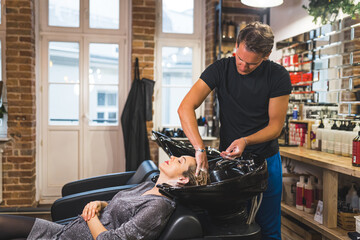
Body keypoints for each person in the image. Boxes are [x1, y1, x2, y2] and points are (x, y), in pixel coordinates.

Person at [178, 21, 291, 239]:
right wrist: (199, 148)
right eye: (240, 58)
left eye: (251, 64)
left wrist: (246, 141)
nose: (242, 66)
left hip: (266, 161)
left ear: (266, 56)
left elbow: (275, 127)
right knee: (229, 228)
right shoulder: (220, 68)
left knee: (269, 229)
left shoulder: (277, 76)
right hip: (229, 164)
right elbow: (185, 107)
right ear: (237, 45)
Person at [0, 156, 208, 240]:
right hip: (66, 231)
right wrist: (99, 204)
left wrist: (91, 218)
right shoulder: (150, 185)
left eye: (179, 160)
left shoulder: (159, 207)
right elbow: (118, 206)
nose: (172, 158)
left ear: (182, 179)